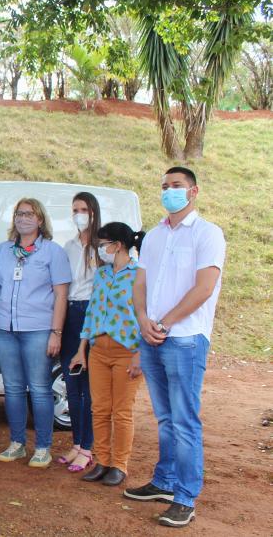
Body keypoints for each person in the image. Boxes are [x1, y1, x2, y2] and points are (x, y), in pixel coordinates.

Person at [124, 166, 225, 529]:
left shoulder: (208, 234)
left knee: (184, 422)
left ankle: (184, 497)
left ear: (193, 192)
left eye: (177, 186)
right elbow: (140, 282)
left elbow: (204, 288)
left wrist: (164, 322)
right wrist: (142, 319)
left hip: (184, 340)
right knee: (165, 418)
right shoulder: (153, 236)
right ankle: (164, 481)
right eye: (165, 186)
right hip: (151, 337)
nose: (170, 191)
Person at [0, 198, 71, 469]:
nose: (23, 218)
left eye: (29, 214)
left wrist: (56, 333)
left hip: (38, 330)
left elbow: (61, 296)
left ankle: (42, 447)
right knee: (12, 388)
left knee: (39, 389)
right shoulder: (3, 251)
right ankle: (17, 443)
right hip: (5, 329)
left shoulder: (52, 252)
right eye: (19, 213)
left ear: (40, 220)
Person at [70, 222, 145, 487]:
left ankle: (119, 465)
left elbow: (145, 315)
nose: (100, 250)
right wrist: (81, 349)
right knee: (99, 409)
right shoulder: (102, 274)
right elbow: (91, 312)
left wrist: (140, 354)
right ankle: (101, 460)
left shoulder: (139, 275)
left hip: (127, 350)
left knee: (122, 411)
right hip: (98, 350)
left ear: (118, 245)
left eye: (103, 245)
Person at [57, 192, 102, 473]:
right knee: (71, 384)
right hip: (70, 312)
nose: (79, 214)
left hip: (93, 315)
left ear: (94, 212)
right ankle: (76, 443)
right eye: (75, 209)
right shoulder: (69, 246)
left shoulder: (105, 249)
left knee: (88, 388)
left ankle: (88, 447)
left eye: (83, 209)